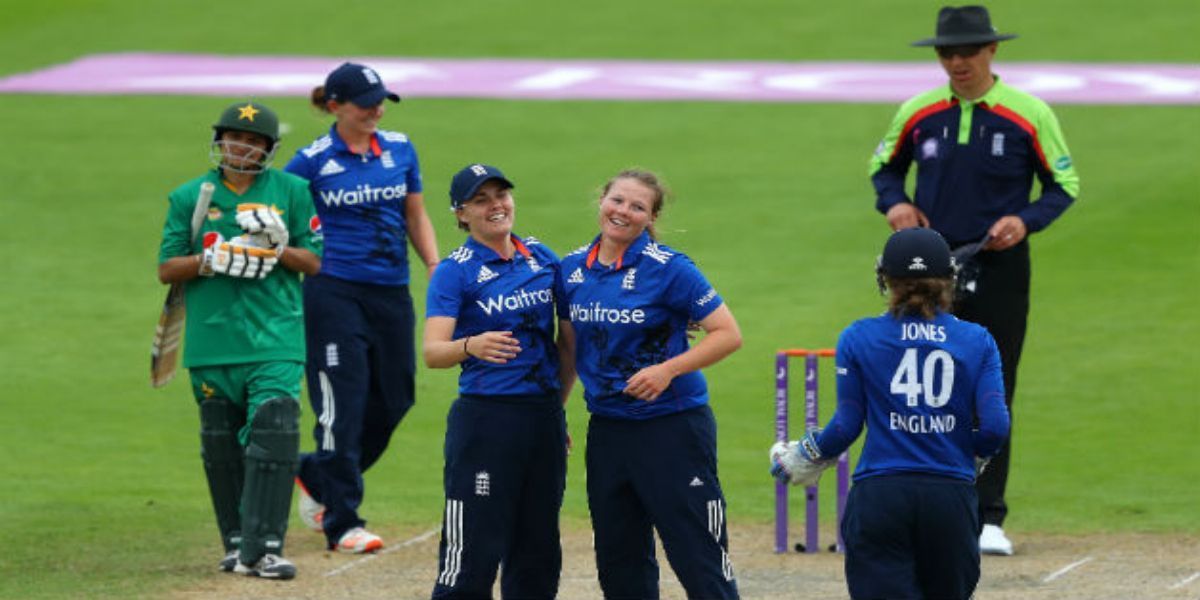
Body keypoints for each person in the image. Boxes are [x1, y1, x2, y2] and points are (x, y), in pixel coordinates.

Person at [868, 4, 1079, 555]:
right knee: (919, 380)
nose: (957, 62)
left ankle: (987, 515)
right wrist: (896, 206)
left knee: (992, 383)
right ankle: (925, 505)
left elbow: (1064, 184)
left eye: (967, 52)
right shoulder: (919, 111)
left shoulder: (1027, 112)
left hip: (1000, 265)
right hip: (926, 267)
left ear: (992, 51)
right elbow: (884, 168)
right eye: (947, 53)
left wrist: (1024, 221)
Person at [770, 227, 1010, 600]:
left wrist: (804, 455)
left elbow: (847, 425)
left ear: (885, 279)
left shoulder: (858, 337)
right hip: (950, 497)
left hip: (881, 497)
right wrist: (970, 453)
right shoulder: (978, 340)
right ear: (950, 278)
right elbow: (995, 428)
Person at [555, 169, 742, 599]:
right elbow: (568, 350)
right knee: (619, 559)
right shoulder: (570, 270)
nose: (623, 212)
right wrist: (555, 411)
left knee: (699, 555)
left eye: (637, 206)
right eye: (617, 200)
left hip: (673, 428)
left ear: (650, 217)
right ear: (601, 200)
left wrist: (667, 370)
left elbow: (727, 333)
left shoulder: (670, 269)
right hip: (608, 429)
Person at [157, 100, 322, 579]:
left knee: (275, 428)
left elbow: (313, 262)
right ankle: (235, 544)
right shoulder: (191, 197)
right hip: (212, 343)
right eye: (234, 138)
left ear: (269, 148)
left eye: (253, 141)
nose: (242, 147)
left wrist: (277, 247)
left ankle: (266, 547)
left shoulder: (293, 191)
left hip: (276, 337)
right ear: (220, 141)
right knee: (221, 445)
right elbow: (168, 268)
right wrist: (214, 258)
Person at [285, 62, 441, 554]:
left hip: (391, 291)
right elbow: (280, 220)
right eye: (364, 102)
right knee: (341, 408)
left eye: (379, 100)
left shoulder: (399, 148)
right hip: (332, 292)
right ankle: (343, 521)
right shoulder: (309, 163)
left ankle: (314, 472)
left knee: (396, 398)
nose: (376, 108)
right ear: (334, 107)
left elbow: (414, 212)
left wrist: (436, 266)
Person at [423, 164, 570, 598]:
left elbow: (575, 331)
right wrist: (472, 345)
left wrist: (555, 412)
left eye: (501, 195)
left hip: (542, 415)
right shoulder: (455, 271)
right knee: (474, 545)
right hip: (486, 420)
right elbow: (433, 352)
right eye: (481, 199)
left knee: (538, 545)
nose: (496, 205)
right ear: (461, 213)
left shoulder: (542, 258)